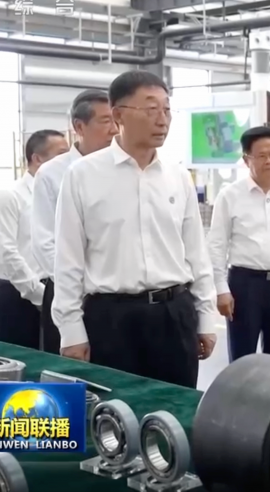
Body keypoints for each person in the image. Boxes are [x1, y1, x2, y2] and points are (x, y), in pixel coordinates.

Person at [51, 70, 219, 388]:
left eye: (167, 109)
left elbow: (196, 253)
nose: (162, 120)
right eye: (151, 109)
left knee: (175, 407)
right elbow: (68, 259)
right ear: (118, 115)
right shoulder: (83, 175)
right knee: (115, 409)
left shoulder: (178, 176)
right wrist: (71, 330)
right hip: (112, 319)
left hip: (174, 315)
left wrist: (205, 317)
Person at [31, 89, 118, 354]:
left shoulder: (122, 168)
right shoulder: (52, 173)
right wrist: (78, 288)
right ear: (79, 127)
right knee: (73, 369)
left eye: (116, 120)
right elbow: (45, 243)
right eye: (106, 121)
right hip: (70, 293)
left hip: (114, 298)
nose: (114, 129)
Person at [208, 126, 270, 361]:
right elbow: (217, 245)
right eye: (262, 156)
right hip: (245, 286)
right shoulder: (230, 195)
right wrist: (221, 290)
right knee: (242, 356)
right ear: (247, 160)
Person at [0, 129, 69, 349]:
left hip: (52, 295)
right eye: (62, 154)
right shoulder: (8, 196)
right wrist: (40, 295)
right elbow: (6, 254)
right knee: (15, 367)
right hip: (14, 299)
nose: (68, 161)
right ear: (37, 158)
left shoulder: (60, 197)